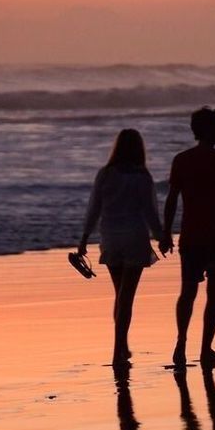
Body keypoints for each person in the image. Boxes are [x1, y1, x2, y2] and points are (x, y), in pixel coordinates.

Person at [78, 129, 163, 367]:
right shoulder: (141, 176)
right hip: (135, 238)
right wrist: (161, 236)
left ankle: (122, 346)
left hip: (111, 238)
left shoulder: (105, 174)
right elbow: (149, 211)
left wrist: (84, 237)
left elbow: (94, 208)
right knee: (126, 298)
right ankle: (118, 350)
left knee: (120, 295)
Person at [159, 107, 215, 368]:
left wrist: (166, 232)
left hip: (190, 235)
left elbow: (171, 200)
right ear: (209, 130)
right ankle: (205, 350)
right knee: (214, 294)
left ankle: (181, 344)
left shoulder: (181, 159)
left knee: (188, 292)